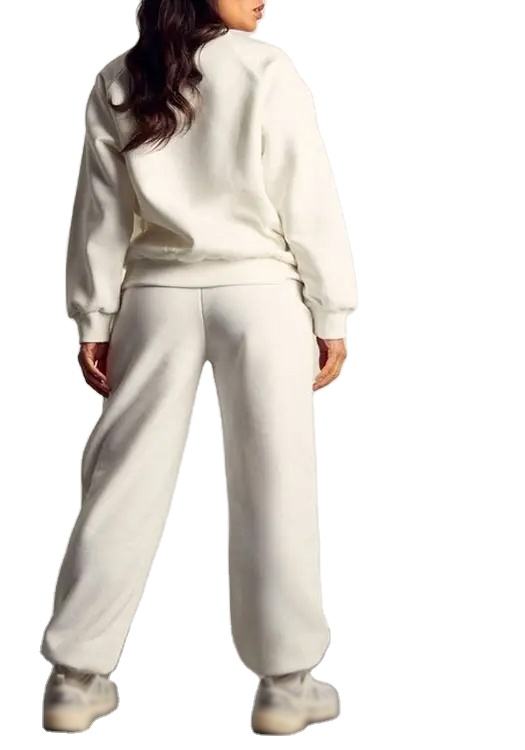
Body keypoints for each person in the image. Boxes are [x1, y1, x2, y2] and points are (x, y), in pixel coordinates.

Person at [40, 0, 358, 735]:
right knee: (278, 479)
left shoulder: (121, 78)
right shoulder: (266, 69)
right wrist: (332, 309)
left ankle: (76, 679)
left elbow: (102, 212)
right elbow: (306, 193)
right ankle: (286, 686)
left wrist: (95, 317)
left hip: (155, 298)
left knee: (122, 482)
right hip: (262, 295)